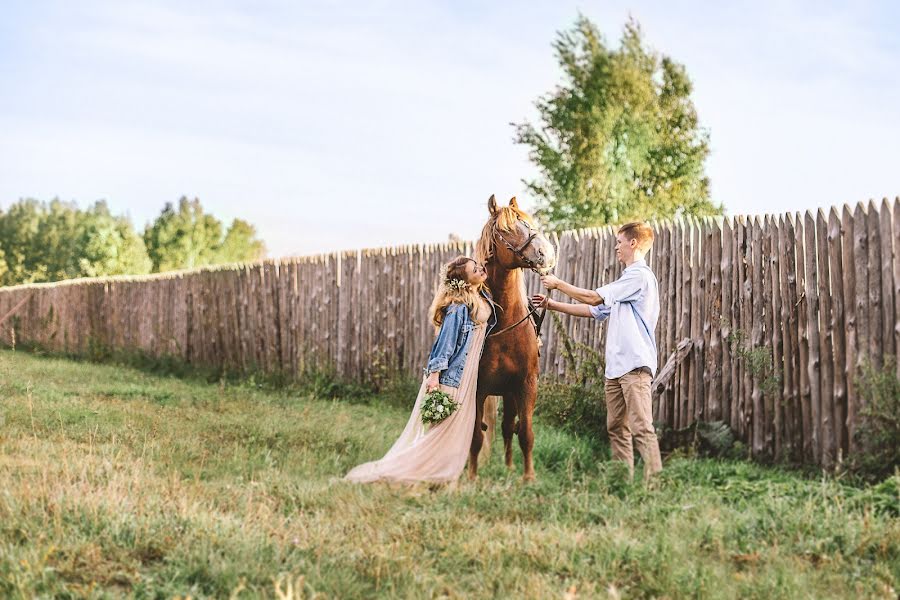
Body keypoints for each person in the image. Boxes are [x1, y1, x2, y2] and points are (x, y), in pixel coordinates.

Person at [345, 256, 496, 484]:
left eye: (478, 266)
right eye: (475, 269)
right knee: (443, 430)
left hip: (468, 375)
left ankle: (444, 473)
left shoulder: (480, 296)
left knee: (457, 430)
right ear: (465, 281)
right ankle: (413, 471)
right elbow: (445, 345)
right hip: (454, 377)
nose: (481, 269)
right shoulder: (457, 308)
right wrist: (434, 377)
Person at [533, 222, 663, 482]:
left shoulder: (640, 276)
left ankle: (655, 484)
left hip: (635, 365)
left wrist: (558, 284)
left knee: (641, 427)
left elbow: (594, 298)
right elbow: (595, 311)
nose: (616, 246)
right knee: (616, 428)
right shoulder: (626, 281)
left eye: (619, 241)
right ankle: (621, 481)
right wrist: (552, 304)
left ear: (633, 243)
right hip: (615, 368)